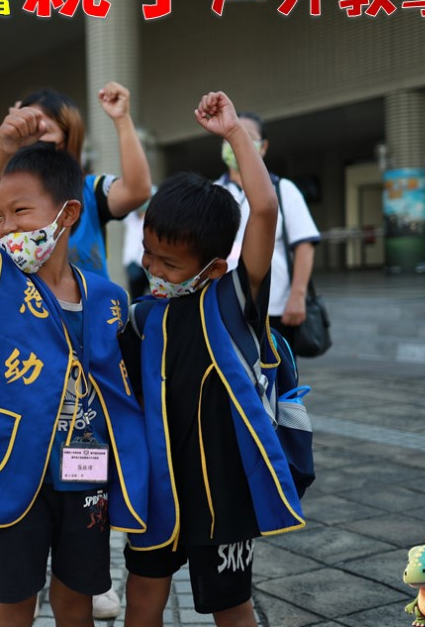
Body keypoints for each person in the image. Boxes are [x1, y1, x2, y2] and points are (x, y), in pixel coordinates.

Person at [0, 108, 149, 627]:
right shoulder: (1, 282)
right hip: (14, 473)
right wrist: (2, 148)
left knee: (75, 600)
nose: (6, 228)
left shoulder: (109, 298)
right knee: (14, 601)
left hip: (85, 475)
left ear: (68, 214)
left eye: (20, 211)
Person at [122, 92, 305, 627]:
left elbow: (264, 210)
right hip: (157, 492)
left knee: (232, 608)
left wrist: (234, 135)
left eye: (170, 263)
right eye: (149, 254)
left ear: (215, 267)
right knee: (142, 599)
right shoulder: (141, 318)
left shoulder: (232, 303)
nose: (154, 269)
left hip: (224, 494)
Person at [20, 84, 152, 279]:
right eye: (27, 129)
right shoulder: (3, 197)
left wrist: (122, 119)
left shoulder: (90, 191)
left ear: (68, 135)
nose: (34, 137)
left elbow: (137, 191)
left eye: (43, 129)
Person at [214, 112, 320, 354]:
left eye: (247, 135)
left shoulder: (283, 189)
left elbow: (304, 245)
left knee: (277, 370)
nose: (237, 141)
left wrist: (298, 295)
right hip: (222, 305)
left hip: (275, 306)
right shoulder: (213, 191)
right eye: (230, 135)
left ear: (263, 147)